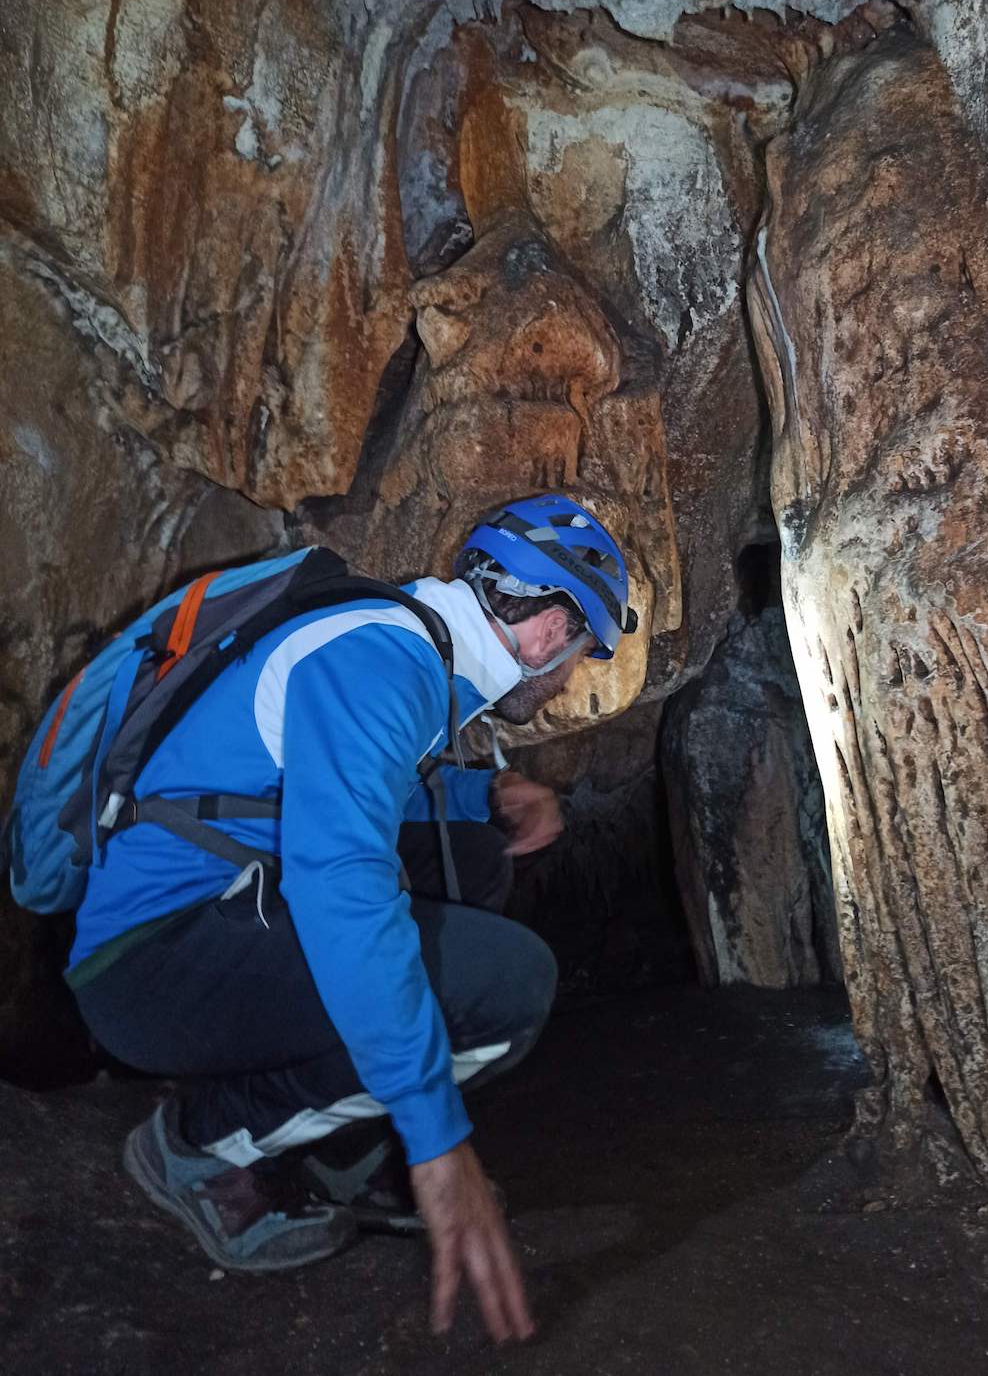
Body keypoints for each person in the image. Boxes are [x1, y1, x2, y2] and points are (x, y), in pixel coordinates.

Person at [65, 495, 637, 1343]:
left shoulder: (398, 642)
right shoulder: (383, 665)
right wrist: (440, 1141)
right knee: (511, 987)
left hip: (210, 912)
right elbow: (343, 887)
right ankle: (201, 1149)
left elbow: (347, 786)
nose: (574, 673)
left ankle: (337, 1154)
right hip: (151, 960)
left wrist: (487, 792)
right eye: (585, 651)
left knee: (473, 853)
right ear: (551, 628)